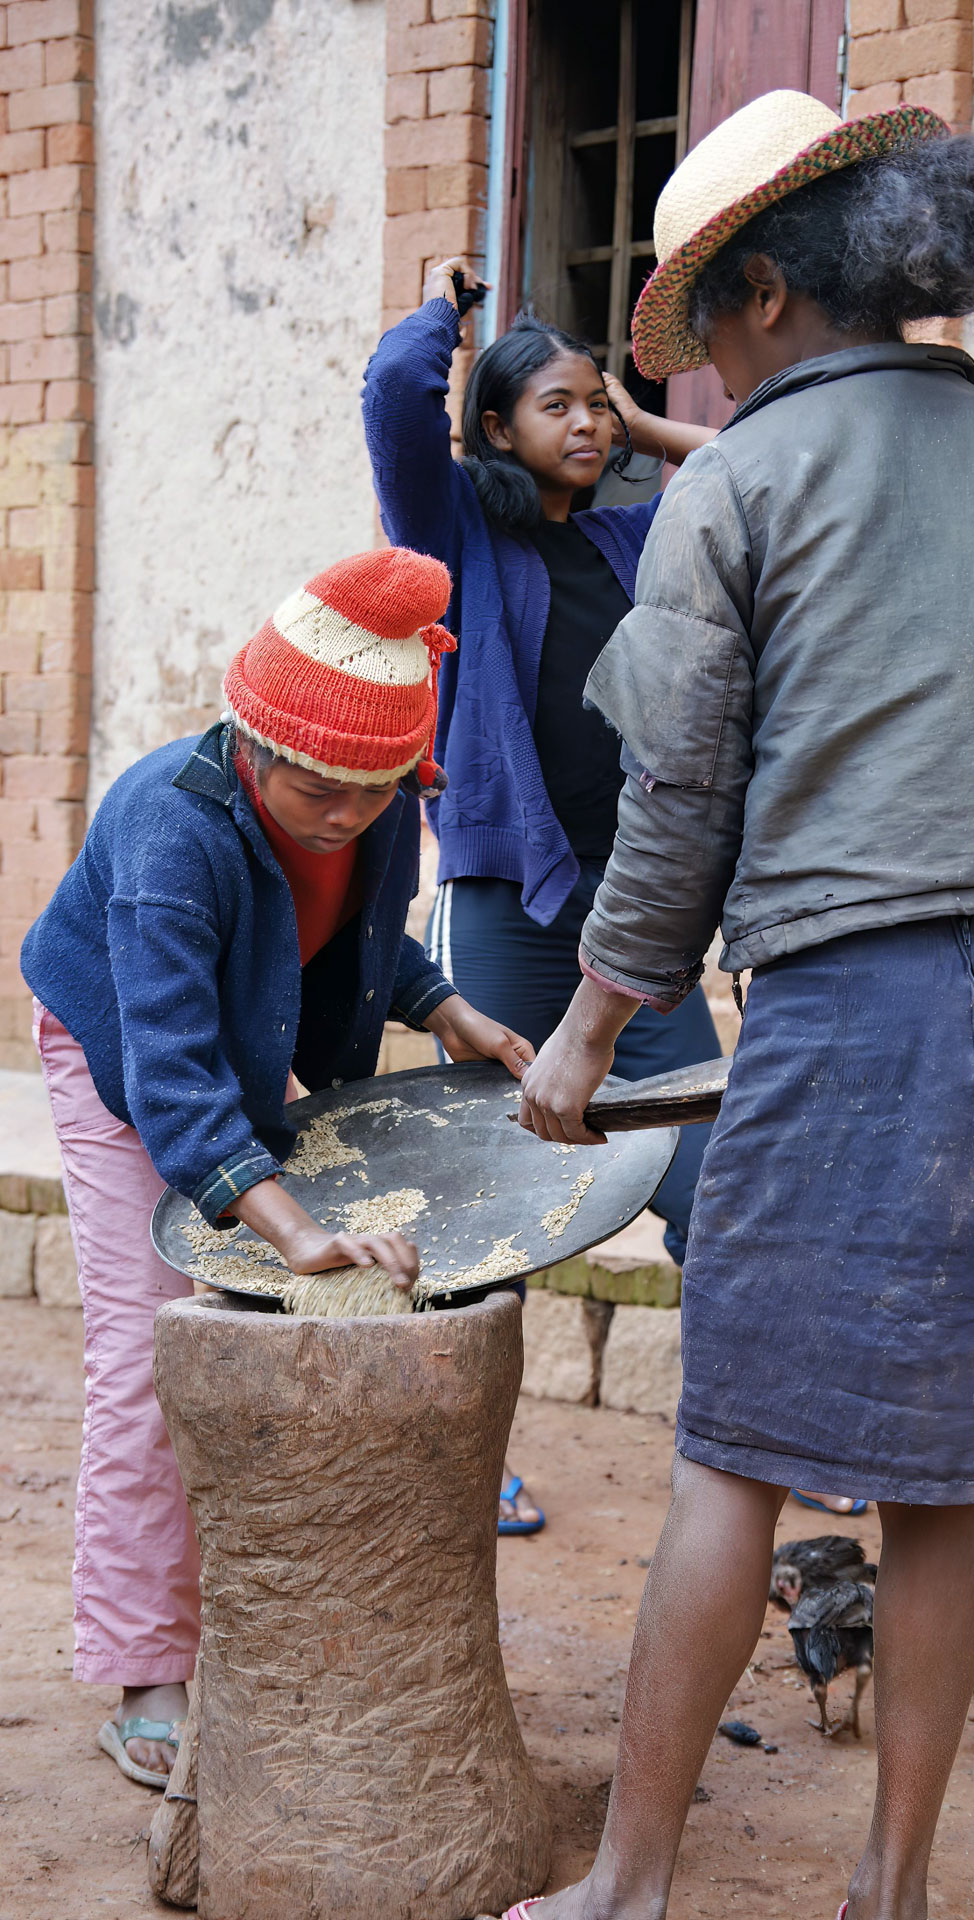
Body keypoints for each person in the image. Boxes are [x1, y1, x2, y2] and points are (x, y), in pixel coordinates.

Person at [512, 89, 974, 1920]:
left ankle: (629, 1889)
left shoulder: (737, 483)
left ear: (766, 296)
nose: (712, 374)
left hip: (840, 1014)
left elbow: (679, 802)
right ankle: (889, 1894)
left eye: (711, 329)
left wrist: (588, 1032)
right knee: (943, 1486)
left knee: (733, 1455)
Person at [21, 547, 530, 1790]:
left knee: (266, 1327)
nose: (344, 815)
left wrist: (444, 1007)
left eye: (373, 792)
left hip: (239, 1040)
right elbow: (171, 1074)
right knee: (154, 1349)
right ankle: (147, 1668)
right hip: (120, 1054)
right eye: (317, 789)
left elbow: (357, 935)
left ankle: (269, 1624)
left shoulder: (375, 804)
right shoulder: (167, 824)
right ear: (254, 742)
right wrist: (294, 1233)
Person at [362, 265, 862, 1523]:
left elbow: (742, 465)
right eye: (558, 405)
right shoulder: (452, 535)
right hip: (506, 905)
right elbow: (390, 401)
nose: (586, 422)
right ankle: (461, 1459)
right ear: (492, 427)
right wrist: (441, 314)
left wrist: (640, 421)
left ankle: (778, 1439)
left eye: (598, 403)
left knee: (719, 1186)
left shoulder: (633, 537)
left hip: (637, 917)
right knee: (494, 1196)